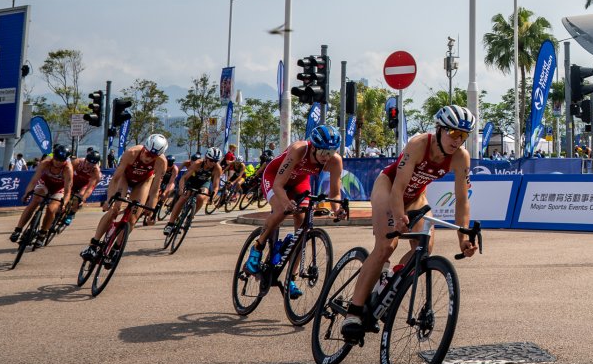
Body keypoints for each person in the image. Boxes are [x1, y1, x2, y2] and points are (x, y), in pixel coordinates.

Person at [340, 105, 477, 343]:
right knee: (386, 247)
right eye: (454, 134)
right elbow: (398, 188)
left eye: (464, 136)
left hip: (416, 197)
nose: (458, 141)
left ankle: (391, 280)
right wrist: (399, 215)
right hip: (389, 188)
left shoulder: (460, 157)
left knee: (424, 250)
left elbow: (462, 200)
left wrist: (463, 239)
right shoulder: (418, 145)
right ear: (439, 129)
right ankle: (353, 312)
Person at [243, 125, 346, 289]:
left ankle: (291, 276)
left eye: (331, 152)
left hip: (299, 181)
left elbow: (334, 194)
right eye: (323, 152)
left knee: (302, 227)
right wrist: (286, 202)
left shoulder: (335, 161)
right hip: (274, 177)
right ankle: (257, 248)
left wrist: (337, 209)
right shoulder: (299, 150)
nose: (327, 157)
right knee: (281, 211)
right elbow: (278, 185)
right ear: (313, 147)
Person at [81, 133, 168, 261]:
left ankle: (116, 248)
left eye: (153, 156)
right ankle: (93, 244)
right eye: (148, 153)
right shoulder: (132, 153)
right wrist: (109, 199)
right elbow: (115, 179)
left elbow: (155, 190)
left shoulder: (161, 162)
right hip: (125, 177)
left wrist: (151, 210)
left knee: (133, 218)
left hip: (143, 181)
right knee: (114, 210)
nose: (149, 158)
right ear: (144, 148)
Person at [11, 145, 73, 247]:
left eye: (61, 160)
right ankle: (18, 229)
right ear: (53, 157)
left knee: (51, 209)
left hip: (59, 188)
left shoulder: (67, 169)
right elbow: (34, 181)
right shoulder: (45, 163)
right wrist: (27, 193)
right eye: (56, 159)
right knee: (35, 201)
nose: (58, 162)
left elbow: (67, 191)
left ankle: (42, 234)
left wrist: (64, 204)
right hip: (45, 184)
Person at [163, 147, 223, 233]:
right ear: (206, 158)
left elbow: (216, 186)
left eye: (216, 161)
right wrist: (181, 189)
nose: (213, 163)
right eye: (211, 160)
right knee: (183, 197)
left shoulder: (217, 168)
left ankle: (190, 216)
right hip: (191, 180)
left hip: (203, 183)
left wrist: (213, 196)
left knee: (201, 197)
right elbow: (184, 178)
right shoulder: (198, 163)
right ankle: (170, 224)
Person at [64, 151, 104, 224]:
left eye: (93, 164)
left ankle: (71, 214)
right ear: (85, 160)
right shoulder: (77, 162)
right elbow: (67, 174)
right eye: (88, 163)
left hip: (84, 185)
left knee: (79, 198)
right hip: (73, 180)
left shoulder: (96, 171)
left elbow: (90, 188)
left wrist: (83, 199)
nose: (90, 166)